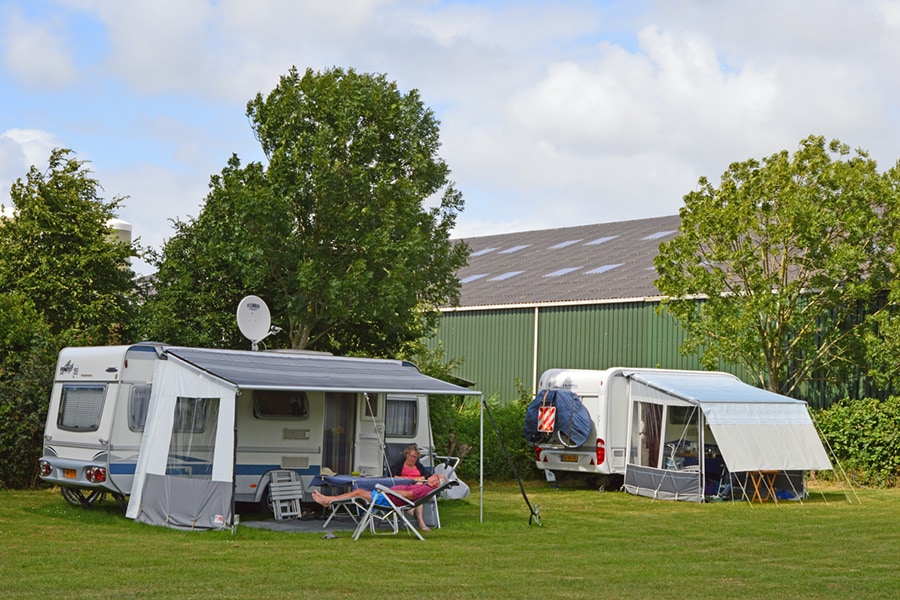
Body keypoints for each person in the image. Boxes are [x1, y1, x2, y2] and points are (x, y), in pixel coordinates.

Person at [312, 473, 447, 531]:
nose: (432, 476)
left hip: (389, 499)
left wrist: (388, 491)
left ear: (436, 483)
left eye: (435, 477)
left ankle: (328, 500)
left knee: (358, 492)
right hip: (389, 497)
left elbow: (408, 495)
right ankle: (328, 500)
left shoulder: (424, 488)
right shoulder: (425, 487)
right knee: (359, 493)